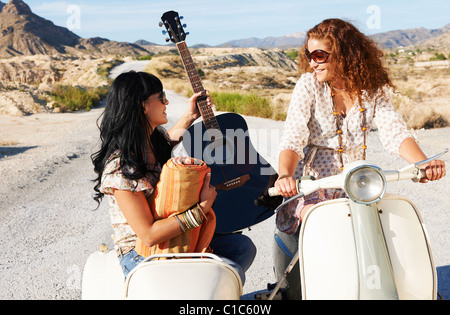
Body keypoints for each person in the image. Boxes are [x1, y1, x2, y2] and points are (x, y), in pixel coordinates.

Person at [274, 19, 446, 234]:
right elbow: (293, 137)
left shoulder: (371, 90)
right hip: (312, 187)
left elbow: (394, 131)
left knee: (388, 229)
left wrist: (423, 164)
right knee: (321, 223)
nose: (312, 63)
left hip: (356, 184)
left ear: (344, 54)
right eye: (309, 56)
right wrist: (284, 176)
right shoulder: (308, 85)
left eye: (318, 56)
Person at [91, 71, 256, 282]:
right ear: (143, 105)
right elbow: (149, 235)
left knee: (241, 248)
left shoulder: (150, 144)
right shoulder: (121, 169)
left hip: (173, 236)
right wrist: (201, 209)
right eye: (161, 97)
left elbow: (169, 139)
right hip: (140, 253)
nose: (166, 101)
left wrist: (190, 115)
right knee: (221, 275)